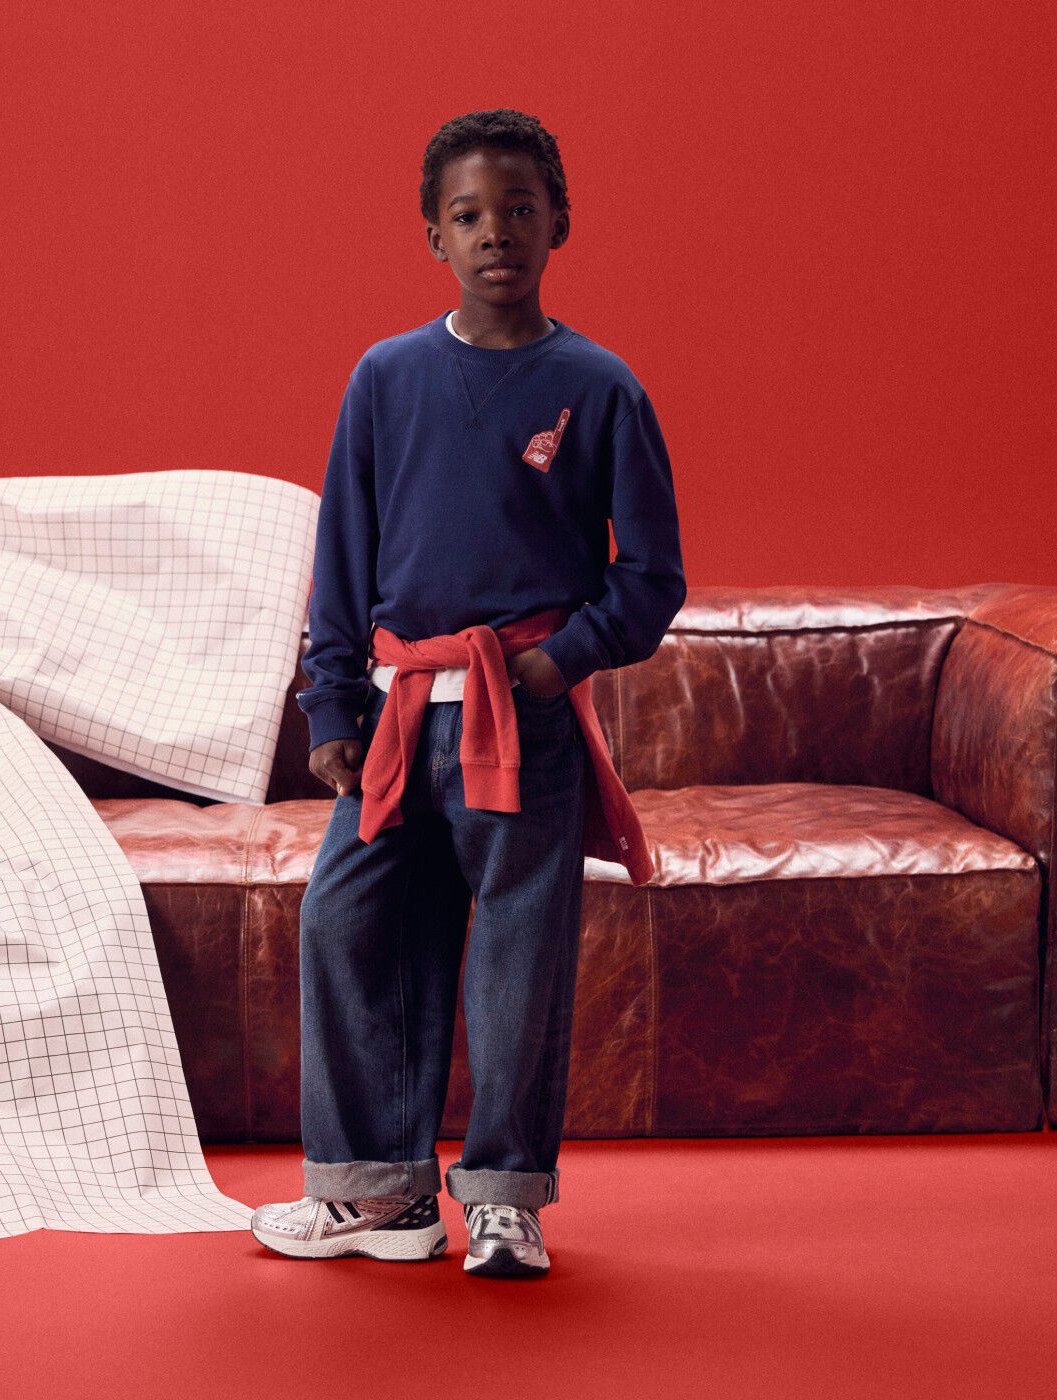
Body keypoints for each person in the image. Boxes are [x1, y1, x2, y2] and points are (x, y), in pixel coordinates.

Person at [250, 108, 686, 1278]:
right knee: (350, 923)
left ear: (560, 224)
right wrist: (331, 707)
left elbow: (651, 575)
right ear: (432, 234)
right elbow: (344, 558)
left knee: (518, 957)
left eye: (520, 210)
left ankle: (502, 1196)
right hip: (400, 715)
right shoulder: (387, 379)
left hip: (520, 714)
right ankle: (380, 1193)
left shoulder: (597, 387)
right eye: (469, 214)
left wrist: (560, 661)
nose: (497, 231)